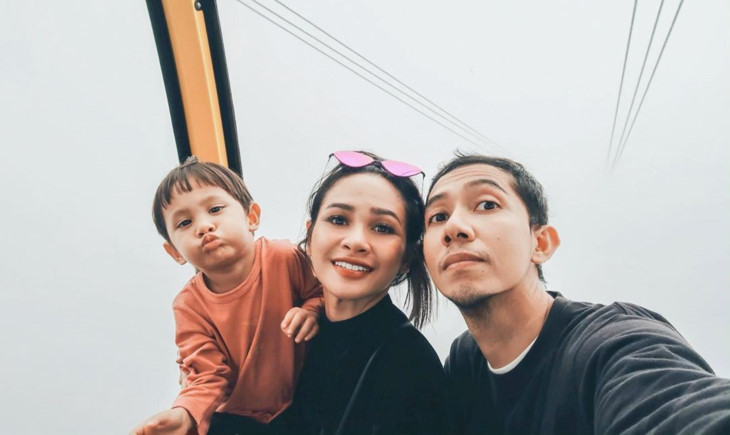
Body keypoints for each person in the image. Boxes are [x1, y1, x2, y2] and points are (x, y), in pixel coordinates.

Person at [422, 152, 730, 434]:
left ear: (540, 243)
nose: (454, 227)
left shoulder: (612, 344)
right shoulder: (466, 364)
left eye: (487, 205)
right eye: (438, 216)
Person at [131, 156, 323, 435]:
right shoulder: (188, 306)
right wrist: (184, 413)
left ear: (251, 217)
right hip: (235, 418)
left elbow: (322, 293)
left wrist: (311, 311)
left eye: (215, 209)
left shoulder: (284, 258)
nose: (203, 226)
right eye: (184, 223)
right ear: (174, 252)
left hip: (302, 400)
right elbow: (206, 374)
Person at [286, 151, 449, 435]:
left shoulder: (411, 368)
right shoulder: (284, 328)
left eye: (382, 228)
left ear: (406, 258)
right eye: (338, 220)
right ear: (310, 237)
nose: (356, 241)